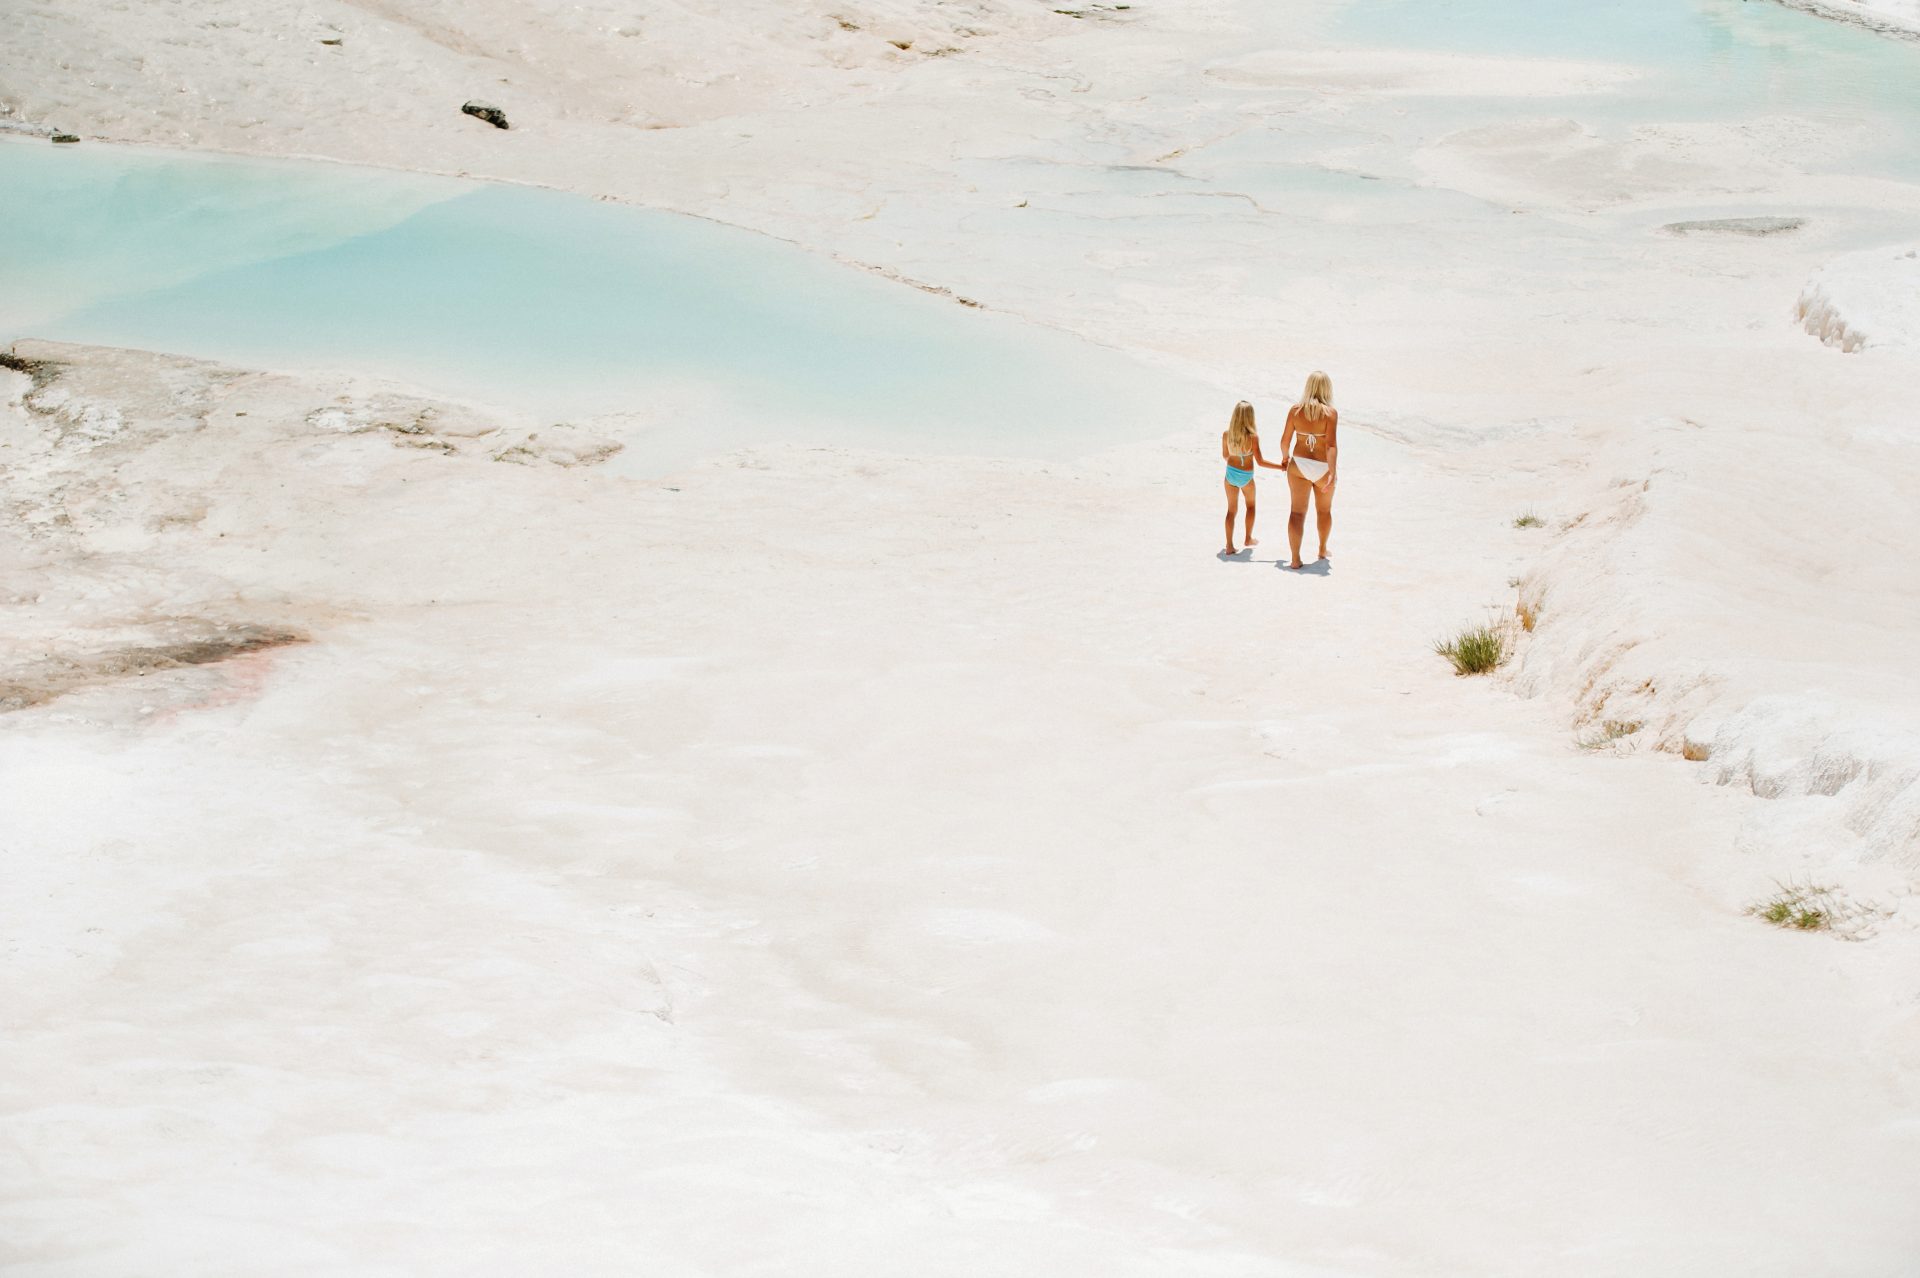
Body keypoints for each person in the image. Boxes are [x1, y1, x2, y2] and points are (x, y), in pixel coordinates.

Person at [1279, 371, 1337, 569]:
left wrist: (1285, 458)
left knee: (1296, 513)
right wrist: (1333, 472)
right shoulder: (1330, 413)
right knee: (1324, 511)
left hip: (1299, 466)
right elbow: (1330, 446)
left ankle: (1295, 559)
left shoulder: (1295, 411)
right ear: (1326, 389)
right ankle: (1321, 549)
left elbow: (1284, 441)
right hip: (1322, 468)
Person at [1220, 400, 1287, 556]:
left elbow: (1225, 455)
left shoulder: (1226, 434)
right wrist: (1281, 466)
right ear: (1250, 418)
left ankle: (1229, 545)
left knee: (1231, 510)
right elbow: (1261, 462)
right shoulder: (1252, 437)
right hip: (1246, 477)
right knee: (1250, 506)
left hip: (1230, 474)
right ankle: (1248, 538)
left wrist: (1236, 459)